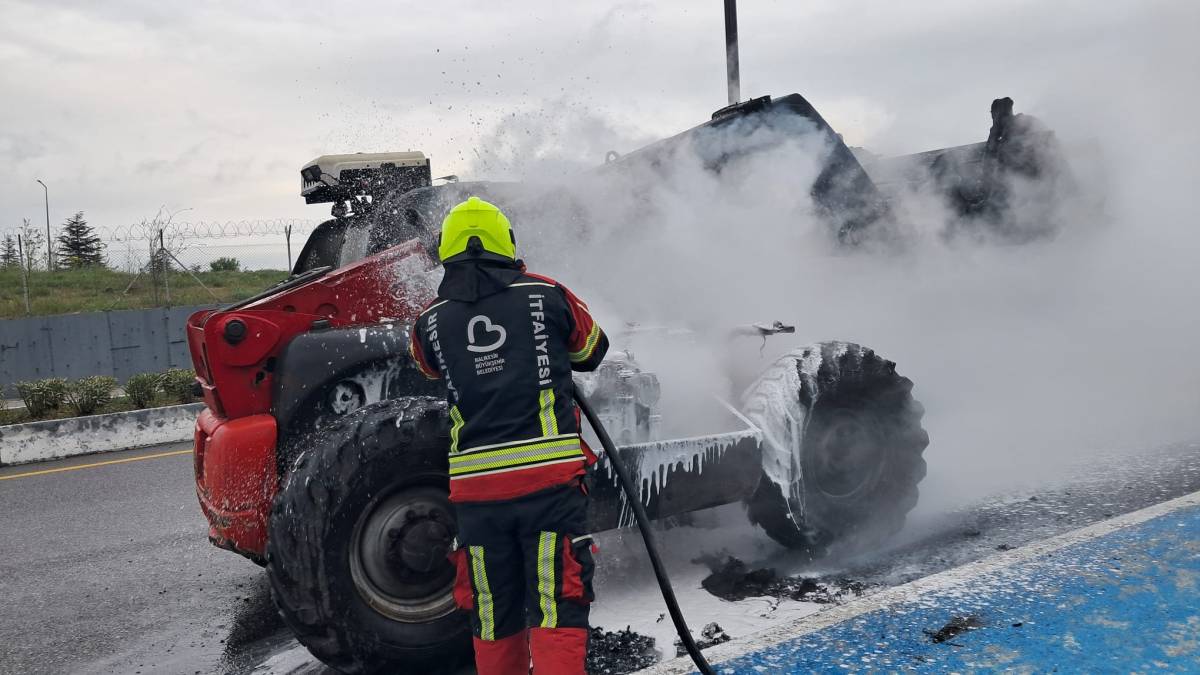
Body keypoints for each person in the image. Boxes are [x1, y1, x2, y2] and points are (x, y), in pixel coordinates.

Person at [408, 196, 609, 674]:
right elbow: (593, 349)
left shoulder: (430, 321)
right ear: (507, 244)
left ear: (447, 251)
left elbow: (427, 367)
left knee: (492, 613)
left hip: (477, 499)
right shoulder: (547, 294)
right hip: (549, 491)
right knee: (557, 602)